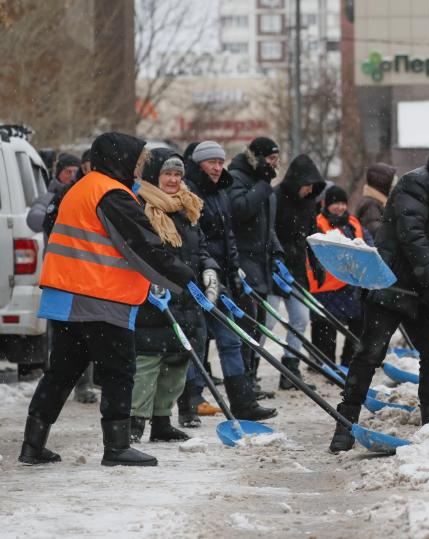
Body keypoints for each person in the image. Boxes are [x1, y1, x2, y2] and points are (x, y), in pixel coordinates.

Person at [19, 132, 196, 467]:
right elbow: (142, 245)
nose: (141, 167)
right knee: (119, 370)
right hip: (99, 297)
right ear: (121, 158)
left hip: (66, 296)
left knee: (61, 372)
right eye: (139, 160)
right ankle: (116, 448)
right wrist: (183, 277)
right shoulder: (111, 194)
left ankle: (32, 445)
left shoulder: (81, 187)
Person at [328, 130, 429, 453]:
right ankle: (344, 425)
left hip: (424, 294)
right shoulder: (414, 185)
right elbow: (413, 238)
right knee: (369, 355)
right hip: (392, 287)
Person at [129, 149, 220, 443]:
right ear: (155, 176)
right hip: (153, 296)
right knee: (148, 361)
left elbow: (200, 248)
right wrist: (153, 279)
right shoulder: (141, 206)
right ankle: (134, 422)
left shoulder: (187, 207)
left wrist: (208, 268)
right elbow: (139, 250)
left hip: (186, 296)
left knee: (176, 362)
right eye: (167, 174)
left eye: (178, 174)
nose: (173, 180)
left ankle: (161, 421)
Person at [183, 140, 277, 423]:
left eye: (220, 161)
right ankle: (191, 402)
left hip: (222, 278)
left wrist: (235, 270)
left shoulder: (221, 190)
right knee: (197, 341)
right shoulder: (190, 192)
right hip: (198, 278)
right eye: (211, 162)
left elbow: (229, 236)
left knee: (230, 339)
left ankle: (243, 402)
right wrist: (203, 269)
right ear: (199, 163)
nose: (216, 167)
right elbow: (193, 238)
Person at [27, 153, 99, 404]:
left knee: (86, 329)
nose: (71, 175)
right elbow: (37, 221)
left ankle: (85, 383)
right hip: (60, 273)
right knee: (62, 333)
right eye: (66, 171)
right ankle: (61, 382)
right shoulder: (58, 195)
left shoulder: (95, 192)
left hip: (85, 274)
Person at [228, 137, 283, 400]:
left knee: (259, 325)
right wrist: (263, 184)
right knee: (246, 326)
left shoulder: (263, 183)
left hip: (262, 263)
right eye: (270, 159)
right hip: (244, 262)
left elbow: (266, 225)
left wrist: (276, 248)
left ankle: (252, 378)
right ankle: (242, 384)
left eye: (276, 159)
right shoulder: (237, 177)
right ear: (257, 158)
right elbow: (241, 211)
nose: (274, 164)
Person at [267, 154, 326, 390]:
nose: (309, 190)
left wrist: (316, 263)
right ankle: (248, 373)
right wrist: (274, 257)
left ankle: (290, 368)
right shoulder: (275, 197)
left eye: (313, 186)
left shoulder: (310, 203)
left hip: (298, 270)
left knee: (300, 319)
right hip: (275, 268)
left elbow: (312, 236)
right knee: (268, 321)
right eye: (306, 185)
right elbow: (267, 232)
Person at [308, 186, 373, 367]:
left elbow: (367, 244)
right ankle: (326, 364)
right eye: (336, 203)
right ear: (327, 204)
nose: (340, 207)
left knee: (358, 324)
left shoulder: (353, 222)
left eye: (343, 203)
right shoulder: (318, 223)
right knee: (326, 327)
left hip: (352, 285)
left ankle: (349, 362)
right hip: (326, 287)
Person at [355, 162, 396, 237]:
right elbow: (376, 231)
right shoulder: (371, 204)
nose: (394, 186)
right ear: (384, 183)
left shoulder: (377, 202)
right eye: (392, 182)